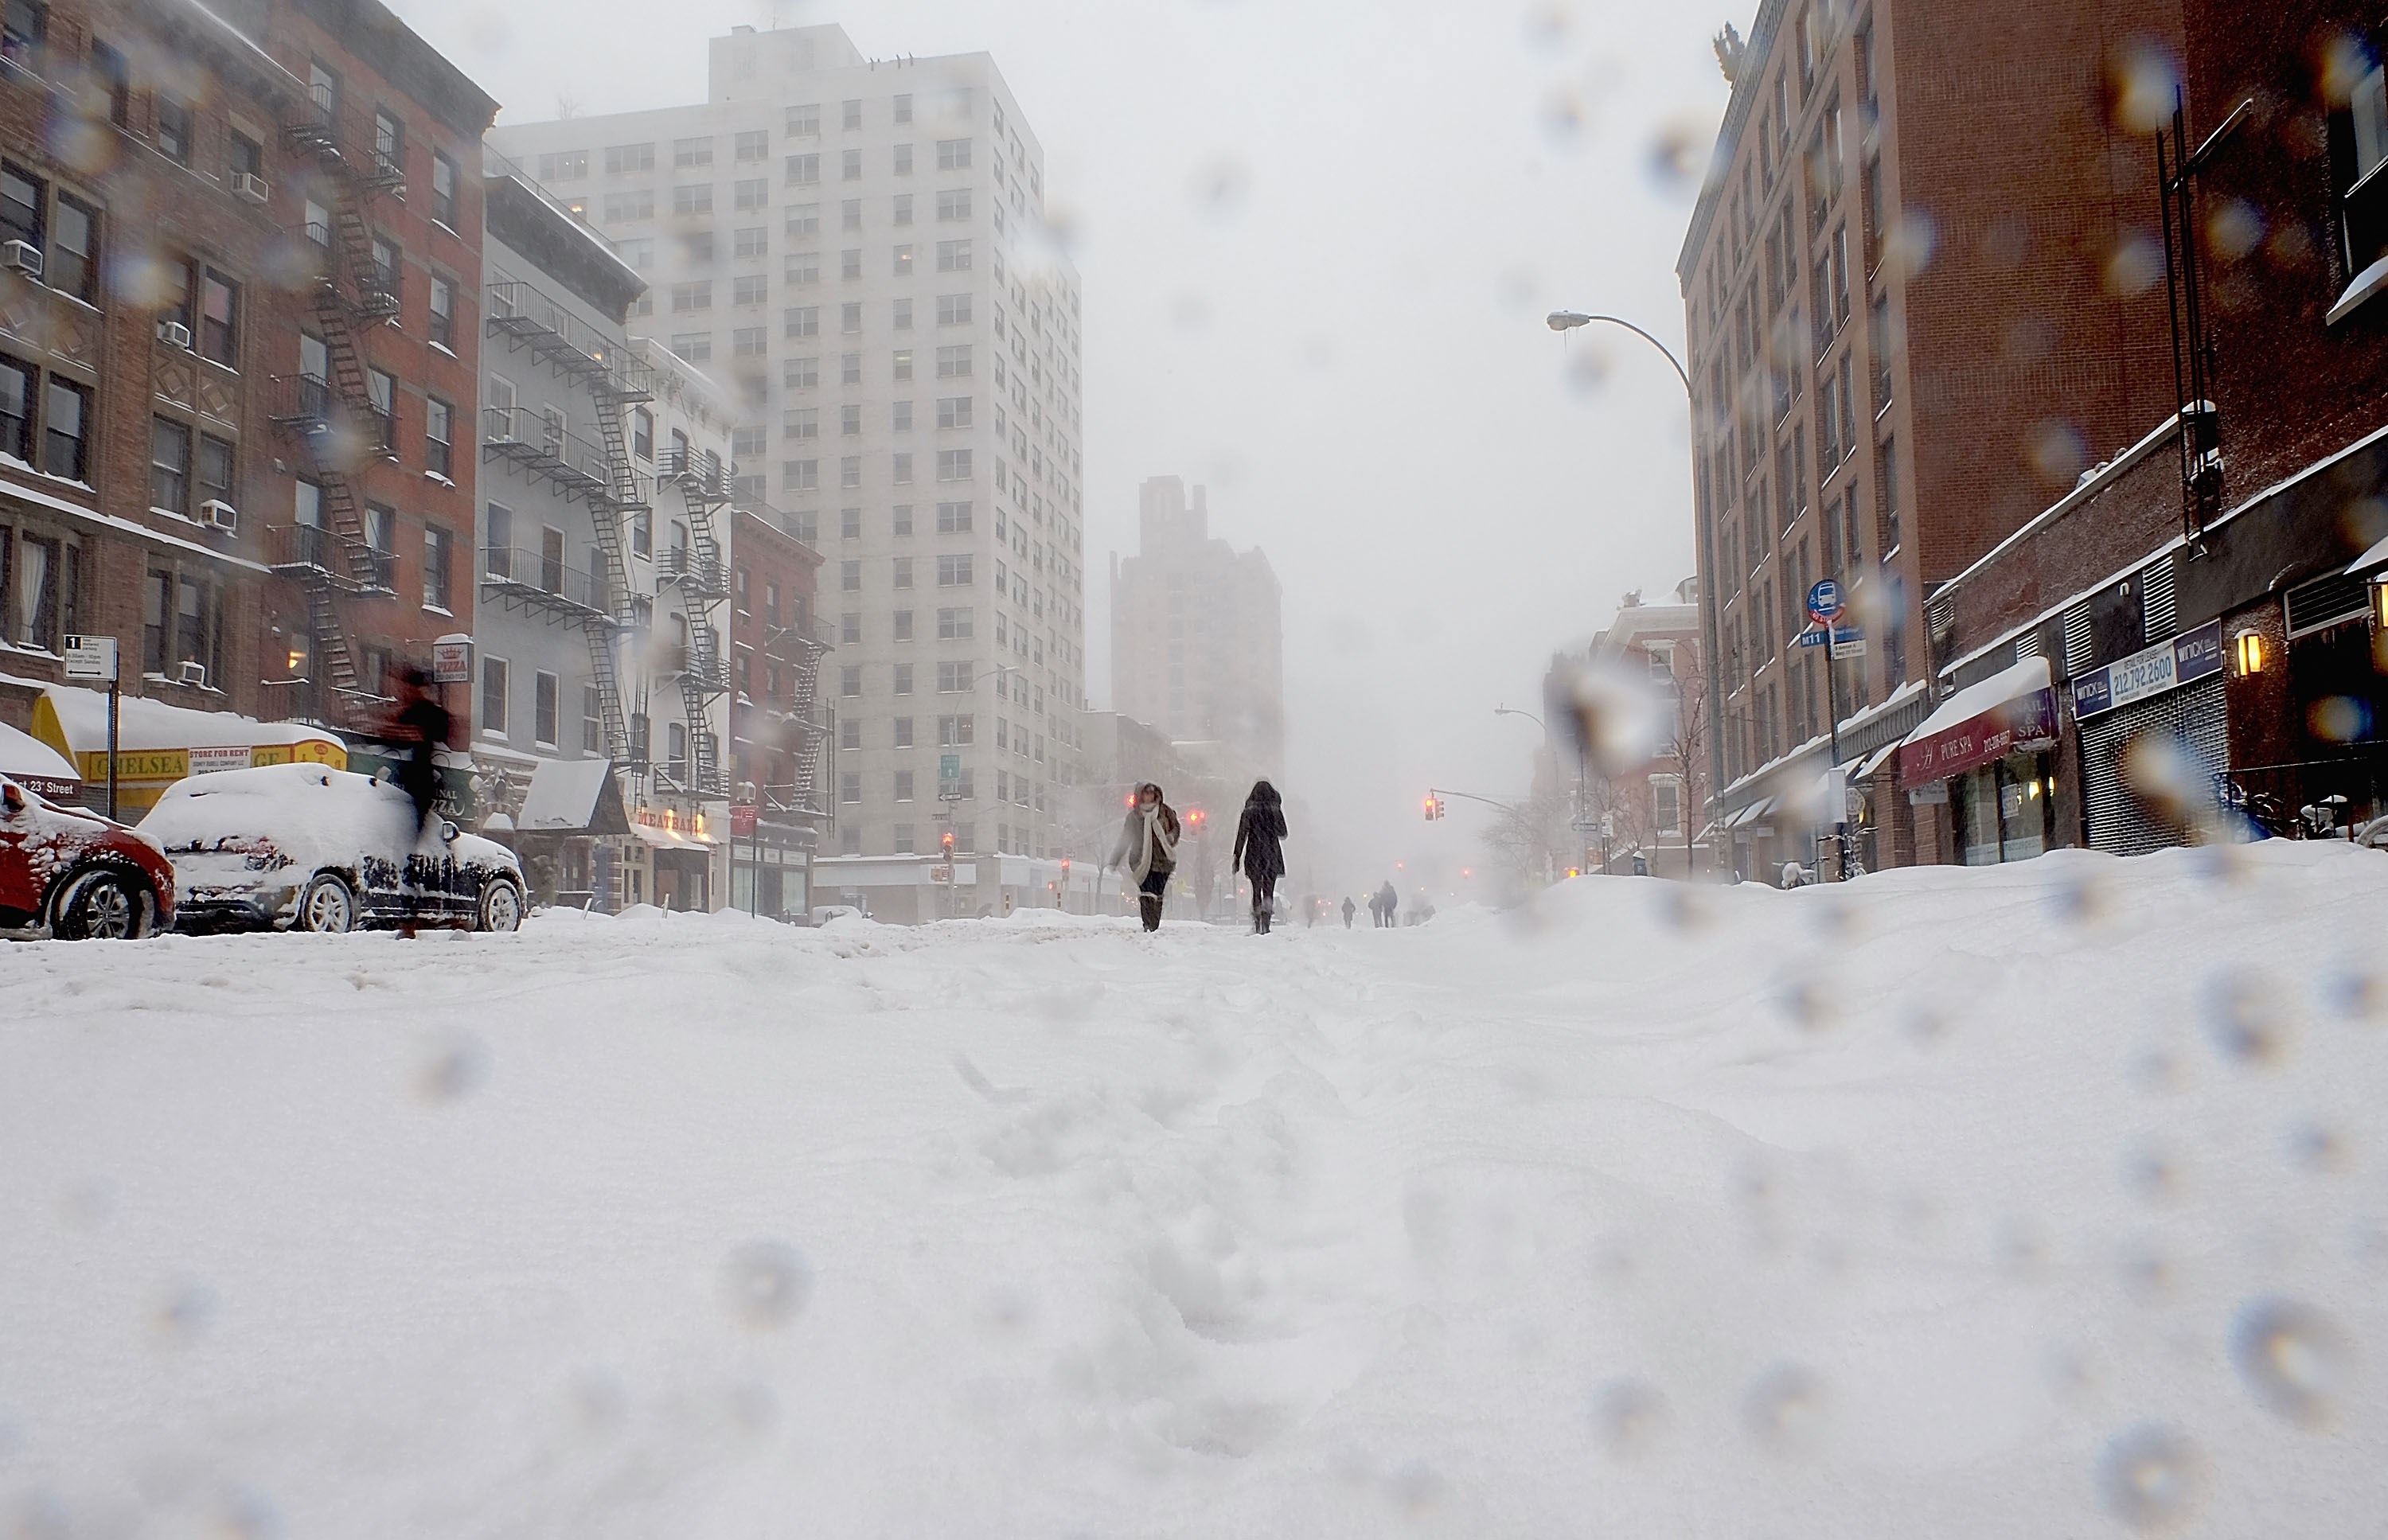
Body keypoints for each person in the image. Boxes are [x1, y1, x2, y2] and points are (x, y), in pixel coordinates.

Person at [388, 666, 452, 938]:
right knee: (404, 853)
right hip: (401, 786)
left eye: (406, 686)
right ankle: (410, 916)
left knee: (409, 853)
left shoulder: (426, 713)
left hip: (419, 788)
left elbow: (443, 732)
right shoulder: (409, 713)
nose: (401, 691)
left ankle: (411, 919)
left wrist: (404, 731)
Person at [1106, 782, 1180, 933]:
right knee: (1146, 894)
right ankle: (1148, 925)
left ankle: (1154, 924)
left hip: (1163, 861)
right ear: (1140, 795)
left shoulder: (1165, 811)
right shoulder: (1134, 817)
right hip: (1141, 861)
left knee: (1157, 895)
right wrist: (1115, 860)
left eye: (1152, 792)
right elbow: (1125, 839)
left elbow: (1176, 827)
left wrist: (1171, 837)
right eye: (1146, 793)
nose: (1149, 796)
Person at [1230, 780, 1288, 935]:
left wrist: (1237, 856)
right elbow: (1283, 833)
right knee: (1269, 890)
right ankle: (1266, 922)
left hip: (1254, 852)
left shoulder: (1249, 811)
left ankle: (1257, 922)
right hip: (1271, 853)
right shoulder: (1275, 810)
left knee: (1256, 889)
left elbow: (1242, 834)